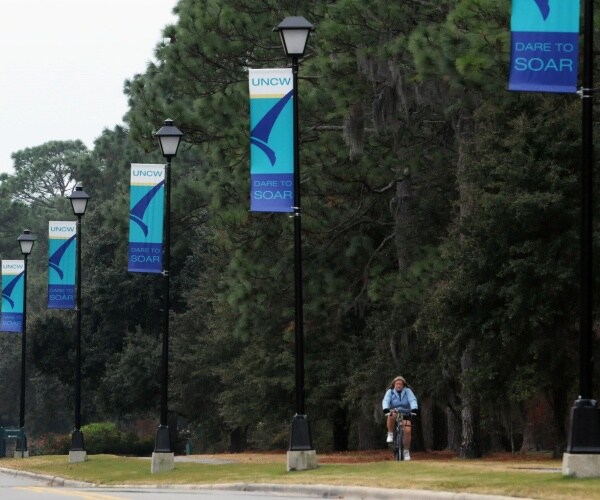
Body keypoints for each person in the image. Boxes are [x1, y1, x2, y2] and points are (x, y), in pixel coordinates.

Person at [382, 375, 418, 460]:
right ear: (394, 385)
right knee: (391, 414)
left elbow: (412, 400)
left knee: (408, 430)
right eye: (396, 384)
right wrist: (386, 409)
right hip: (394, 411)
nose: (398, 385)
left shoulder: (408, 391)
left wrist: (414, 409)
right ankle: (390, 433)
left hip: (406, 412)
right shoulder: (390, 392)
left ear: (403, 385)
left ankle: (406, 451)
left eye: (400, 384)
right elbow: (386, 400)